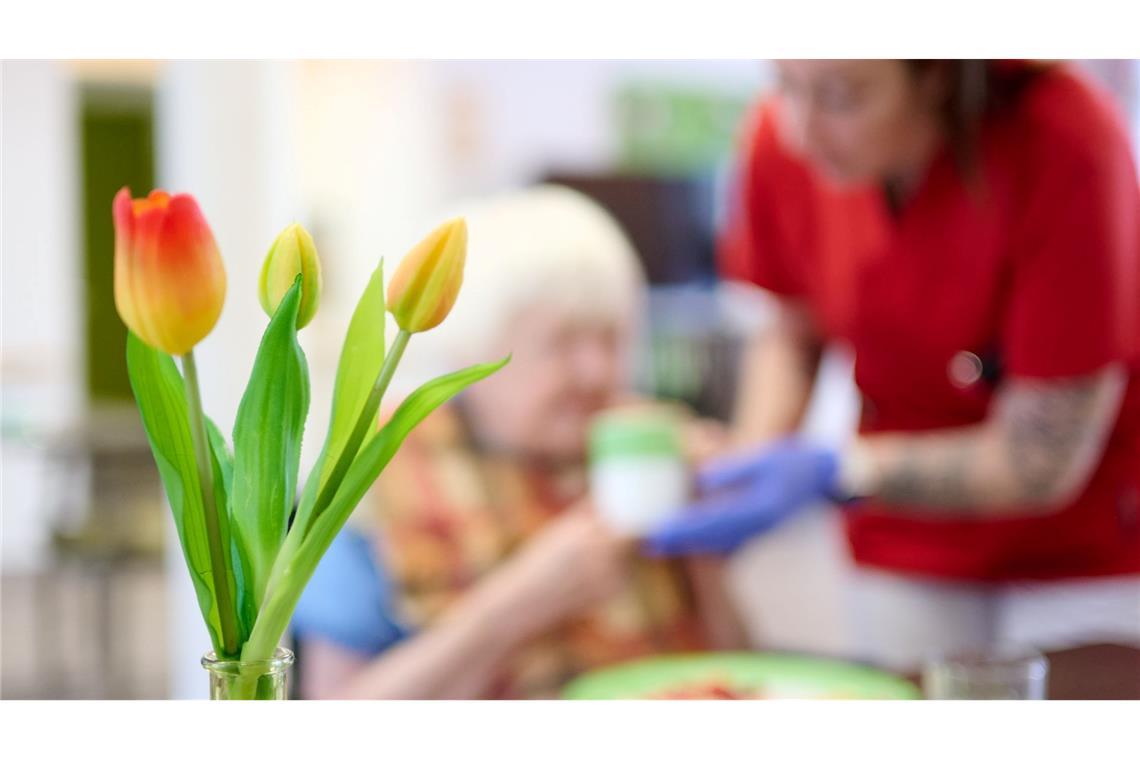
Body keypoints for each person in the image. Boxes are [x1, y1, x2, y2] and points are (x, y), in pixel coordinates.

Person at [646, 60, 1140, 669]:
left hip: (1077, 540)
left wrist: (837, 470)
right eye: (784, 86)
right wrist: (748, 464)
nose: (801, 133)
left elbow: (1040, 461)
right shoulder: (779, 140)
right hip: (903, 532)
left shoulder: (1065, 139)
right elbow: (794, 333)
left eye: (841, 96)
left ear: (936, 76)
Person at [292, 185, 745, 698]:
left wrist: (705, 543)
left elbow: (737, 675)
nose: (596, 370)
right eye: (562, 342)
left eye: (612, 339)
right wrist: (517, 607)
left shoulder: (645, 445)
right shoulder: (374, 473)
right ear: (473, 349)